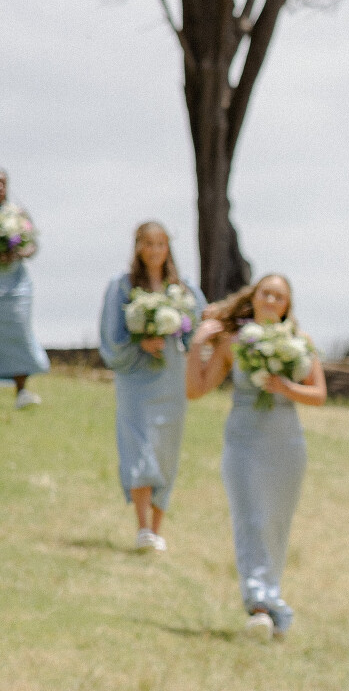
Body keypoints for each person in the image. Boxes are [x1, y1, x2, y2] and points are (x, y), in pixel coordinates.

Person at [187, 274, 327, 636]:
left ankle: (271, 599)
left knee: (277, 523)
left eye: (279, 296)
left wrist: (285, 387)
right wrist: (198, 343)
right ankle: (258, 604)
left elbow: (318, 394)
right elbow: (196, 390)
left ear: (287, 304)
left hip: (286, 443)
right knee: (251, 519)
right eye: (266, 293)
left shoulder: (300, 342)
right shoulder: (233, 342)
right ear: (253, 297)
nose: (271, 301)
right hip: (244, 442)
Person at [98, 221, 194, 552]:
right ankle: (142, 528)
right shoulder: (122, 286)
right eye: (148, 243)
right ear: (138, 247)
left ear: (168, 247)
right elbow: (111, 335)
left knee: (166, 447)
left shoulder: (181, 288)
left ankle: (157, 529)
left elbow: (195, 328)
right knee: (138, 443)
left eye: (161, 244)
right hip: (136, 377)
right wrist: (140, 344)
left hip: (170, 375)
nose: (155, 250)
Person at [0, 168, 46, 408]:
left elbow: (32, 245)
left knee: (19, 330)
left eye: (3, 182)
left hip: (17, 285)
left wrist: (18, 252)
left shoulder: (17, 213)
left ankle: (22, 390)